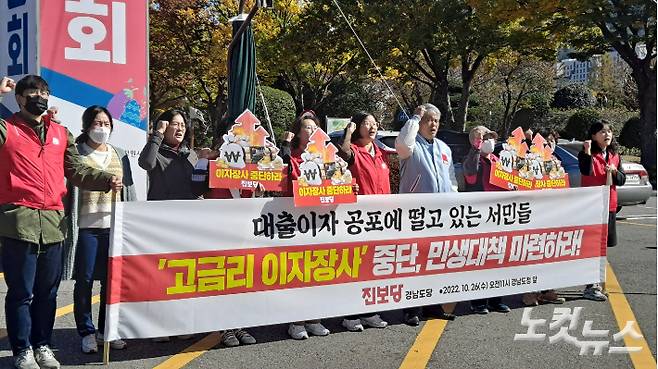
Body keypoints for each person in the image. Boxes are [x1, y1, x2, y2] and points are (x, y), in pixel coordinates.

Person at [0, 75, 122, 369]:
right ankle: (22, 349)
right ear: (19, 98)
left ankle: (42, 344)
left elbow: (77, 169)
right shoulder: (7, 129)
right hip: (19, 221)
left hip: (55, 223)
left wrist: (106, 179)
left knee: (48, 292)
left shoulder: (60, 133)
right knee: (21, 293)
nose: (39, 97)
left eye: (44, 92)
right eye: (32, 92)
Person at [61, 106, 136, 354]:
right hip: (86, 227)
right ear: (86, 126)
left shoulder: (120, 154)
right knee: (84, 281)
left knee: (110, 281)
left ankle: (107, 329)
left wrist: (132, 221)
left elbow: (130, 192)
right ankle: (86, 332)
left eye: (106, 124)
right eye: (97, 123)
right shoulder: (76, 153)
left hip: (113, 227)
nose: (102, 128)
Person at [395, 103, 457, 326]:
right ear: (420, 123)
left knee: (435, 262)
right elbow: (402, 144)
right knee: (413, 262)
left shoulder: (443, 148)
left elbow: (451, 180)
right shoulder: (410, 146)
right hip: (415, 215)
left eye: (437, 121)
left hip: (441, 217)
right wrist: (414, 117)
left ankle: (433, 305)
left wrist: (454, 202)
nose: (433, 124)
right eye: (428, 120)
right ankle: (410, 308)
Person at [189, 147, 258, 347]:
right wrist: (202, 161)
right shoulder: (212, 164)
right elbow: (196, 189)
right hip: (218, 230)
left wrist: (259, 189)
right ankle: (224, 327)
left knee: (241, 278)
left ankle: (239, 324)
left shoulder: (250, 165)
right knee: (222, 278)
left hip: (242, 230)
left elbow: (251, 197)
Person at [279, 112, 331, 339]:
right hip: (296, 219)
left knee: (317, 270)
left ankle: (315, 318)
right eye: (306, 128)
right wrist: (284, 145)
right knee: (297, 271)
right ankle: (296, 321)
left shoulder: (325, 156)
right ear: (298, 133)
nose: (311, 131)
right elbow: (279, 171)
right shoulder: (293, 156)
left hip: (319, 220)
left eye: (314, 128)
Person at [337, 112, 390, 332]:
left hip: (382, 219)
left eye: (375, 124)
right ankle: (350, 314)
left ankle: (369, 311)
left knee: (373, 266)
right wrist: (347, 132)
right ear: (357, 127)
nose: (372, 127)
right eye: (367, 123)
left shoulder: (381, 153)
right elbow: (343, 154)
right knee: (355, 266)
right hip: (357, 220)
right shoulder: (355, 151)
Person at [462, 126, 512, 314]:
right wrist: (475, 149)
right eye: (484, 138)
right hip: (479, 217)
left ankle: (496, 299)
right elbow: (470, 173)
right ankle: (478, 301)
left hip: (499, 216)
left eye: (491, 137)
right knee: (480, 259)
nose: (489, 141)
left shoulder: (497, 160)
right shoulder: (472, 159)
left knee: (498, 259)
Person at [578, 120, 625, 301]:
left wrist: (614, 171)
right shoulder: (587, 153)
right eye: (602, 132)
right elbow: (586, 171)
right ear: (593, 136)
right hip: (592, 206)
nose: (607, 135)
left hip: (610, 205)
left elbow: (621, 180)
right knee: (592, 246)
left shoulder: (614, 155)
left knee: (603, 246)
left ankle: (596, 282)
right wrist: (588, 152)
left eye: (609, 131)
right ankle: (591, 285)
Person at [138, 109, 204, 200]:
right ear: (165, 126)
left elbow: (197, 187)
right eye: (175, 124)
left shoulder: (191, 154)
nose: (180, 129)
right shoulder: (156, 152)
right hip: (163, 210)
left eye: (183, 125)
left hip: (190, 210)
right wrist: (159, 132)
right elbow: (146, 163)